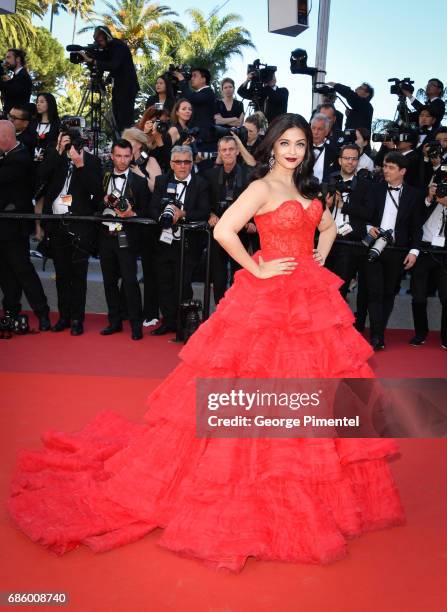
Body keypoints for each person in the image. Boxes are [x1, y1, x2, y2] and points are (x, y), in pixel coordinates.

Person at [7, 114, 405, 571]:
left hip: (309, 299)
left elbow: (330, 226)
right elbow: (223, 231)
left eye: (300, 143)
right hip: (268, 298)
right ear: (273, 146)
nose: (294, 150)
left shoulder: (310, 190)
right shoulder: (261, 189)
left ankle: (305, 485)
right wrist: (257, 268)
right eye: (286, 143)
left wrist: (317, 255)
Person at [39, 132, 103, 336]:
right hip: (57, 225)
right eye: (66, 142)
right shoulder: (57, 158)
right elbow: (40, 178)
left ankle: (77, 319)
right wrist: (58, 152)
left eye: (73, 143)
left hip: (80, 225)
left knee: (78, 276)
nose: (70, 147)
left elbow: (96, 191)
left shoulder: (90, 161)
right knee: (61, 275)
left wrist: (79, 164)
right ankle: (64, 317)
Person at [364, 151, 424, 351]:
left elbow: (417, 227)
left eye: (390, 167)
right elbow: (365, 216)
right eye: (384, 166)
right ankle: (377, 336)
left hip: (397, 250)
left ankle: (378, 332)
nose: (386, 170)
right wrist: (367, 228)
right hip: (374, 247)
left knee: (388, 293)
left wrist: (414, 251)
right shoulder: (375, 189)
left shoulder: (415, 195)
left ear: (403, 171)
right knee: (374, 292)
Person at [148, 145, 210, 335]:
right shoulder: (161, 181)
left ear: (192, 164)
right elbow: (152, 208)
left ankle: (184, 323)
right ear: (171, 164)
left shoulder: (201, 184)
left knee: (183, 284)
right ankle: (168, 322)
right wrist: (162, 218)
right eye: (178, 162)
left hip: (188, 244)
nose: (182, 166)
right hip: (165, 241)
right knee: (164, 282)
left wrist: (183, 214)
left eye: (186, 162)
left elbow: (204, 212)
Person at [98, 139, 151, 340]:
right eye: (118, 156)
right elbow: (91, 200)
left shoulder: (139, 182)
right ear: (112, 156)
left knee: (130, 281)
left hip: (127, 235)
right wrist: (102, 200)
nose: (122, 160)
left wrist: (132, 213)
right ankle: (114, 322)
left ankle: (136, 325)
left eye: (126, 156)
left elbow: (147, 211)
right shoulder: (103, 177)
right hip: (105, 235)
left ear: (132, 157)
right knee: (109, 282)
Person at [0, 120, 50, 330]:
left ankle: (42, 312)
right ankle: (11, 310)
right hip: (4, 225)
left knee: (22, 270)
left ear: (6, 137)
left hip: (15, 226)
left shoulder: (20, 157)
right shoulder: (11, 155)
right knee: (5, 270)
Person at [122, 127, 162, 328]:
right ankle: (127, 311)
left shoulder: (150, 161)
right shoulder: (121, 160)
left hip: (147, 222)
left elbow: (157, 187)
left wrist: (138, 172)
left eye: (127, 140)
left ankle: (151, 312)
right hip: (126, 221)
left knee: (149, 269)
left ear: (137, 144)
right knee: (126, 268)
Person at [205, 135, 252, 304]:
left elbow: (255, 201)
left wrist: (250, 221)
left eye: (231, 149)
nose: (228, 153)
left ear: (238, 151)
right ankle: (219, 308)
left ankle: (237, 309)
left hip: (241, 232)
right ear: (219, 152)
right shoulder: (210, 175)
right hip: (218, 232)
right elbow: (205, 201)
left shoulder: (248, 174)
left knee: (239, 273)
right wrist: (210, 214)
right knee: (218, 274)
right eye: (224, 150)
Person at [80, 26, 139, 134]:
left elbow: (113, 65)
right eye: (97, 42)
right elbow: (108, 64)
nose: (100, 44)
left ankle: (125, 143)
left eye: (101, 41)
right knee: (116, 119)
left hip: (127, 88)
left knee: (124, 120)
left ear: (107, 37)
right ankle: (118, 142)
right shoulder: (109, 48)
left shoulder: (118, 46)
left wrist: (92, 60)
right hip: (119, 88)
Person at [409, 185, 447, 349]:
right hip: (424, 250)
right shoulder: (428, 201)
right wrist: (429, 199)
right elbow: (414, 220)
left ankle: (446, 337)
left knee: (446, 297)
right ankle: (420, 333)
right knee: (418, 295)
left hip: (445, 253)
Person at [0, 49, 32, 115]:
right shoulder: (16, 76)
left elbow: (11, 90)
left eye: (8, 57)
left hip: (16, 119)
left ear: (18, 59)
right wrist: (2, 74)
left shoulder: (23, 75)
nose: (6, 61)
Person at [32, 93, 60, 162]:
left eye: (42, 102)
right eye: (37, 102)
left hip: (50, 163)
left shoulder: (57, 125)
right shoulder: (32, 123)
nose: (38, 104)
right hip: (32, 163)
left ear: (50, 104)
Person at [311, 113, 339, 182]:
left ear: (326, 132)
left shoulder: (333, 152)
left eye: (320, 129)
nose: (315, 132)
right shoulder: (302, 148)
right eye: (313, 128)